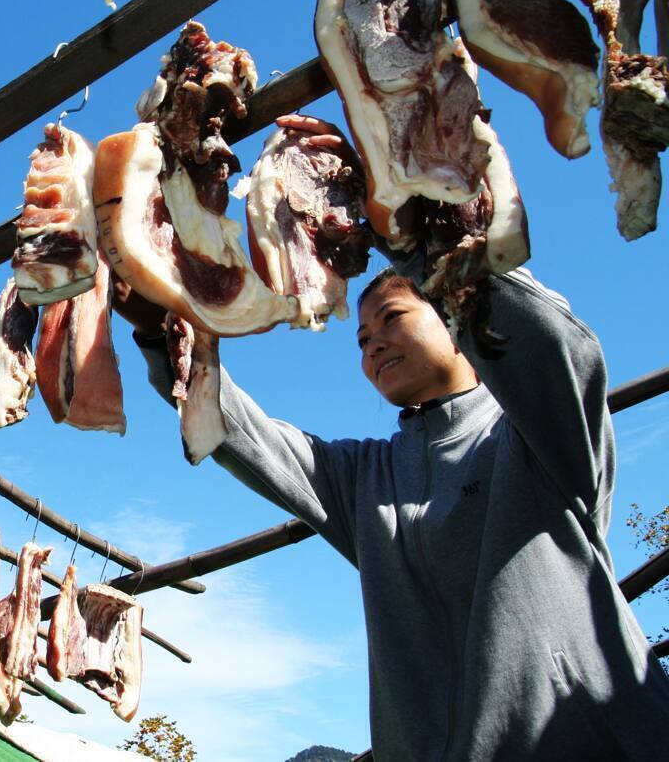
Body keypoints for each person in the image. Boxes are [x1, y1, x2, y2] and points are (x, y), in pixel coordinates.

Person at [115, 116, 669, 760]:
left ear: (449, 314)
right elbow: (247, 436)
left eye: (394, 317)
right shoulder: (366, 478)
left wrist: (417, 244)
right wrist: (167, 332)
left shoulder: (535, 434)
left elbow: (559, 352)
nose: (372, 339)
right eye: (362, 336)